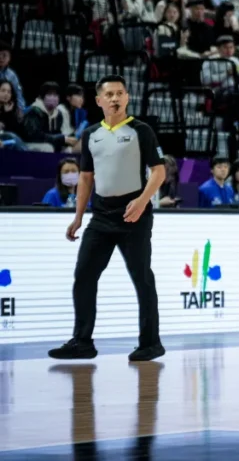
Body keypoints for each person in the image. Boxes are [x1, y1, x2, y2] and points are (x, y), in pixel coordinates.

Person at [48, 75, 167, 362]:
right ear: (99, 100)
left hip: (134, 216)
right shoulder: (90, 134)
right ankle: (82, 341)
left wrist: (141, 201)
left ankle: (151, 343)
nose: (115, 99)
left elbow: (159, 172)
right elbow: (86, 178)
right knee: (84, 276)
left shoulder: (142, 130)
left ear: (127, 98)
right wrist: (78, 217)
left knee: (142, 279)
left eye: (120, 93)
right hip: (101, 217)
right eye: (109, 94)